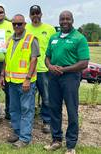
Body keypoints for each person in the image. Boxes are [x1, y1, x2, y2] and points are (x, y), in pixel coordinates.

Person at [44, 11, 89, 154]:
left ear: (72, 20)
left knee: (71, 110)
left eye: (67, 19)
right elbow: (47, 57)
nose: (64, 21)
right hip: (53, 77)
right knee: (54, 108)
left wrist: (64, 69)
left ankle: (70, 146)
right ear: (59, 21)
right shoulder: (54, 37)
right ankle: (56, 140)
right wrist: (50, 66)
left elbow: (84, 63)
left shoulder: (79, 38)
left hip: (70, 77)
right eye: (62, 19)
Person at [0, 14, 39, 148]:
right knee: (14, 109)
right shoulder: (10, 39)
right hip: (11, 81)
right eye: (14, 24)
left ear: (25, 24)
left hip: (25, 83)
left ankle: (25, 138)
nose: (16, 26)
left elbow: (34, 60)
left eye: (19, 24)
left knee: (26, 109)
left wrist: (27, 79)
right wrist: (2, 75)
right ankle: (17, 133)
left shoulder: (31, 39)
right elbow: (6, 59)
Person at [26, 5, 56, 134]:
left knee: (47, 97)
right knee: (28, 97)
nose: (35, 15)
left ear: (41, 14)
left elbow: (54, 48)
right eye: (33, 13)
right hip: (29, 69)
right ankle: (28, 121)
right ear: (30, 15)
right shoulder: (25, 28)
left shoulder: (50, 29)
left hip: (44, 69)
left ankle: (47, 121)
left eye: (37, 13)